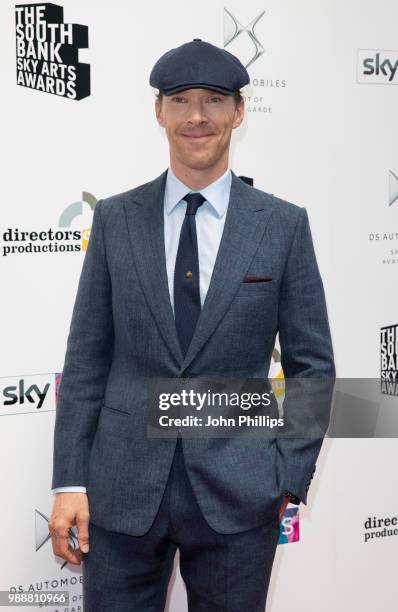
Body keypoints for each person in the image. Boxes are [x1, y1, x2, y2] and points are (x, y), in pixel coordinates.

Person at [49, 39, 335, 611]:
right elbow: (85, 360)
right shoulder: (114, 219)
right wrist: (70, 483)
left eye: (213, 100)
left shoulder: (281, 226)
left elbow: (312, 365)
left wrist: (284, 476)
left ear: (239, 111)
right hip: (122, 490)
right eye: (180, 100)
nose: (196, 116)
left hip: (240, 492)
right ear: (159, 112)